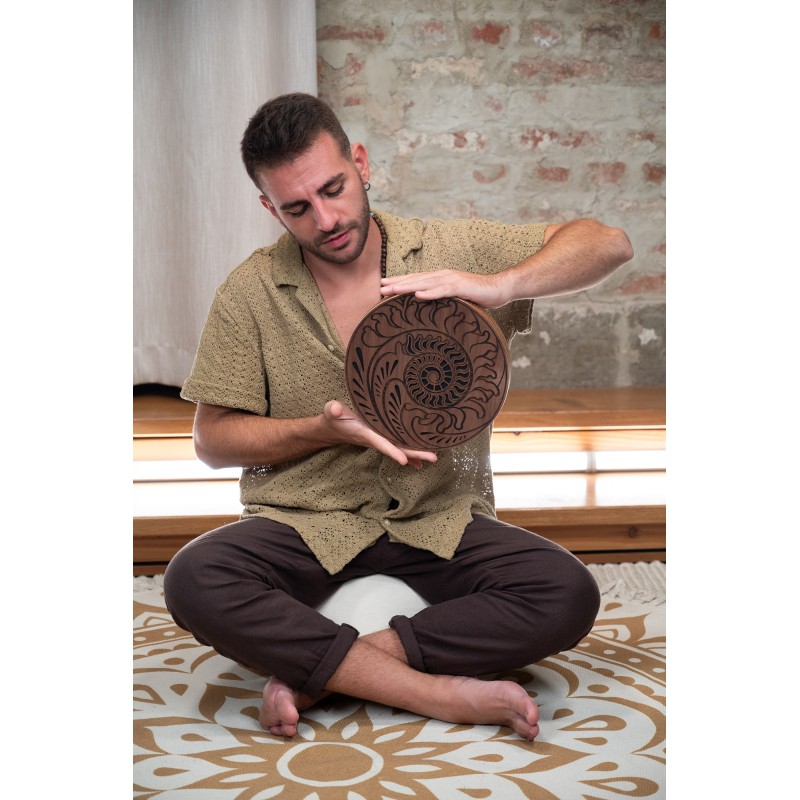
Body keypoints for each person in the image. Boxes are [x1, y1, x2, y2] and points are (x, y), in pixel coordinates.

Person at [163, 92, 634, 742]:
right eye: (297, 208)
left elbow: (608, 244)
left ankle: (329, 671)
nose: (326, 218)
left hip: (438, 521)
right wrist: (319, 430)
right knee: (194, 579)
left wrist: (499, 285)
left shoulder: (447, 248)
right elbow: (213, 441)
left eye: (333, 188)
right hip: (305, 524)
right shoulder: (250, 292)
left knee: (566, 591)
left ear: (360, 163)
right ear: (270, 208)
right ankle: (437, 693)